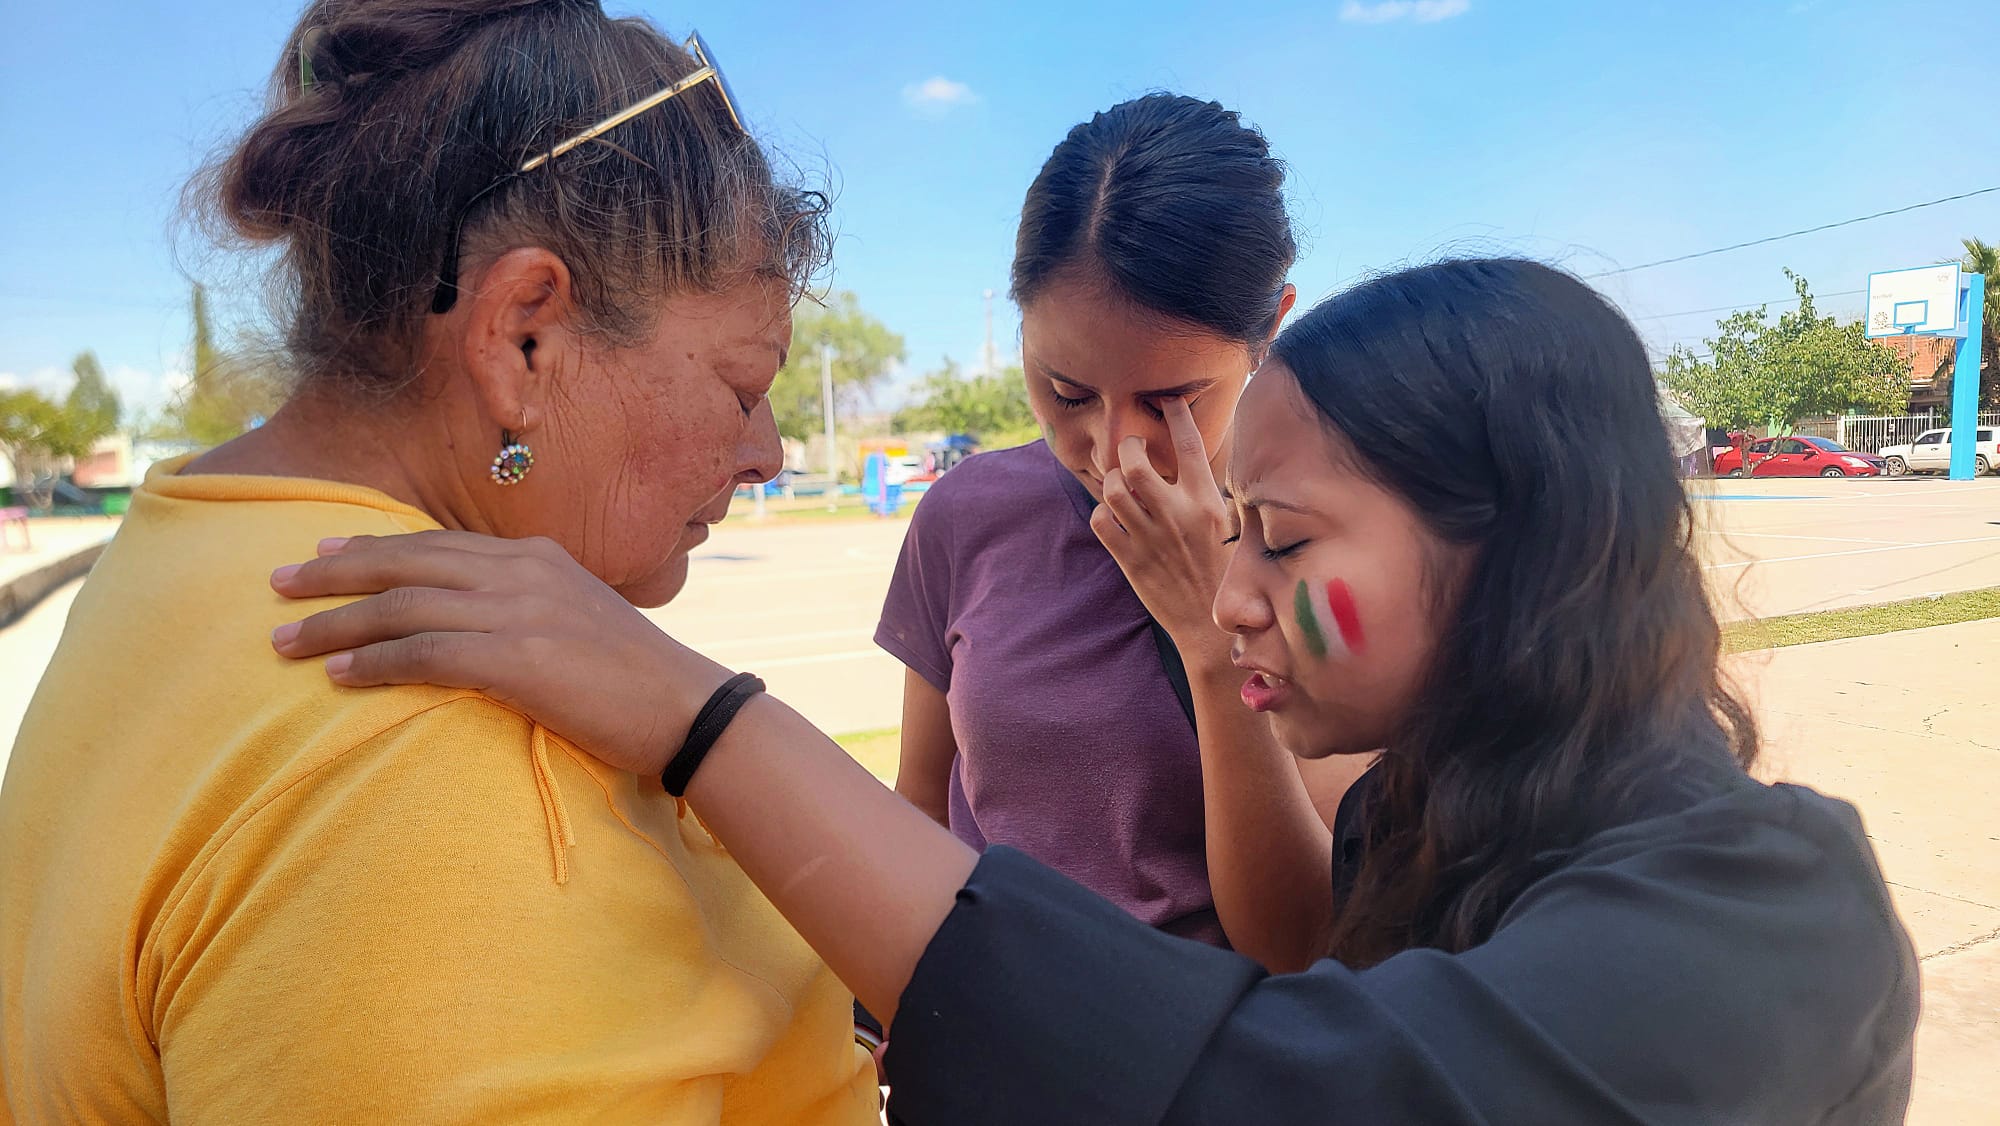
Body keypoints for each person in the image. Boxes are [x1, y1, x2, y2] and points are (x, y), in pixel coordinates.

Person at [269, 257, 1920, 1124]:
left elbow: (1302, 1086)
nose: (1235, 576)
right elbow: (1293, 947)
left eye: (1283, 540)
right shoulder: (1458, 809)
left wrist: (706, 723)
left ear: (1513, 540)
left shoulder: (1776, 907)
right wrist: (1219, 647)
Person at [0, 2, 880, 1121]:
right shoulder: (442, 746)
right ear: (523, 336)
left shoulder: (186, 535)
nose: (764, 455)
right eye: (741, 390)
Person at [880, 93, 1364, 961]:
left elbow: (1302, 938)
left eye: (1171, 400)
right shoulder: (967, 516)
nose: (1112, 450)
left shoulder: (1326, 544)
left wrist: (1209, 631)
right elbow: (921, 801)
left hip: (1213, 1070)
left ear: (1271, 329)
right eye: (1066, 392)